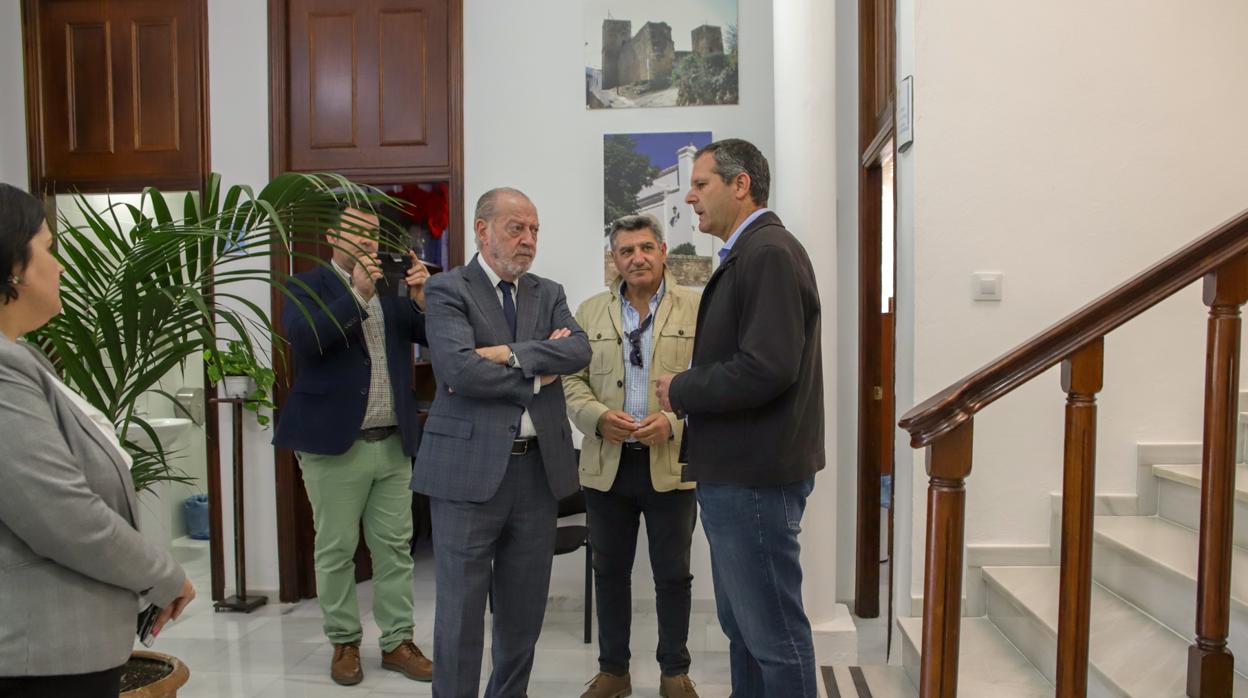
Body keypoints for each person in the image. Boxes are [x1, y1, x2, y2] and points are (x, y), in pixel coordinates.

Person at [0, 183, 195, 697]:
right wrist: (164, 576)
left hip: (63, 651)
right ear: (13, 265)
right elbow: (63, 516)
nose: (60, 266)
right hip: (40, 656)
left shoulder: (22, 358)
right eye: (47, 248)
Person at [656, 139, 825, 697]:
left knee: (774, 638)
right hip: (738, 472)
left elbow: (767, 368)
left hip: (755, 478)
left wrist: (681, 387)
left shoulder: (769, 251)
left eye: (701, 184)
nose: (690, 196)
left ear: (741, 184)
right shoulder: (749, 252)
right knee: (743, 631)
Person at [411, 187, 591, 698]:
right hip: (466, 473)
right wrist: (538, 371)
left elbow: (578, 352)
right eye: (517, 228)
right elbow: (458, 370)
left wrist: (508, 354)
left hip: (537, 475)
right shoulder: (449, 289)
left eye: (534, 230)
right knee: (462, 612)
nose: (528, 240)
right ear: (482, 229)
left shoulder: (547, 291)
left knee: (523, 611)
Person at [272, 204, 433, 686]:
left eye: (372, 234)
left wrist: (422, 299)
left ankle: (397, 641)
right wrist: (358, 297)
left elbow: (431, 338)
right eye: (357, 233)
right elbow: (306, 342)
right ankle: (344, 642)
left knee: (394, 549)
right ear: (332, 237)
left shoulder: (390, 288)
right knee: (337, 550)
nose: (367, 242)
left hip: (392, 442)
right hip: (332, 444)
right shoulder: (306, 286)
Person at [563, 214, 701, 698]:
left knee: (673, 574)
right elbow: (571, 382)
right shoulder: (589, 311)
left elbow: (712, 381)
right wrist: (598, 417)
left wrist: (676, 420)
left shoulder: (697, 309)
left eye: (645, 248)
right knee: (609, 571)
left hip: (671, 463)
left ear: (663, 251)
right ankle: (613, 672)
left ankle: (673, 673)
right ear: (614, 260)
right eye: (626, 251)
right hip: (607, 466)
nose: (637, 258)